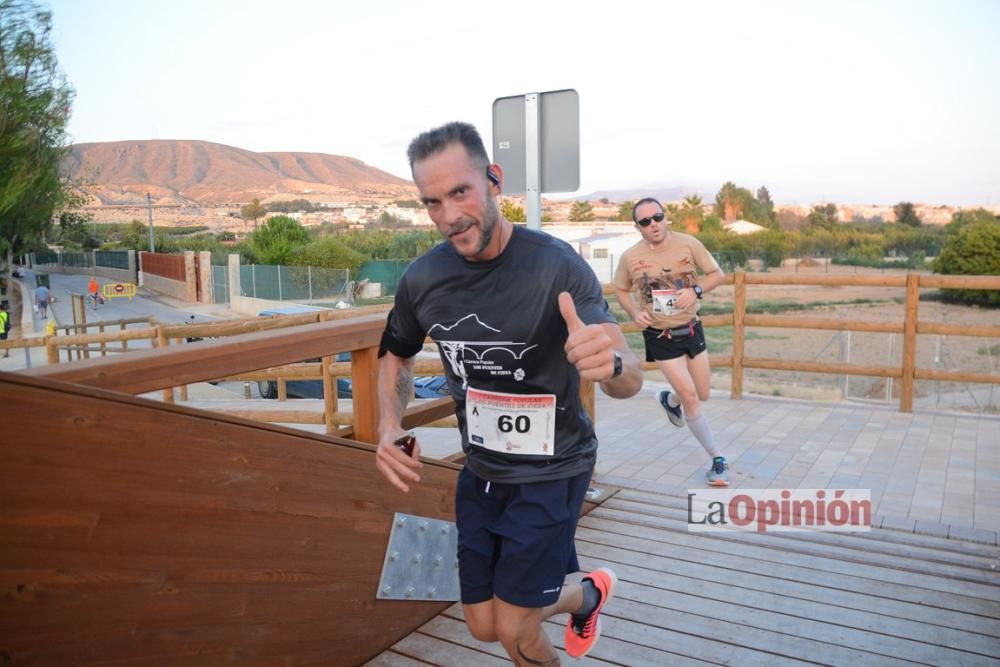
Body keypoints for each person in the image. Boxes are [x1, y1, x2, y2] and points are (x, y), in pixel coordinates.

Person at [375, 121, 642, 664]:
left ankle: (565, 598)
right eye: (432, 203)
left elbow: (629, 378)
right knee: (482, 624)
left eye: (460, 192)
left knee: (517, 629)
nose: (449, 216)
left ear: (493, 180)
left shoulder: (555, 264)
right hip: (482, 472)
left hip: (553, 470)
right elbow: (395, 351)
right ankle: (586, 592)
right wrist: (388, 424)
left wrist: (610, 362)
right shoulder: (423, 278)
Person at [612, 197, 730, 486]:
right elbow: (620, 289)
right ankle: (717, 459)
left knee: (701, 393)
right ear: (637, 226)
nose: (653, 224)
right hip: (660, 335)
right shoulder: (630, 257)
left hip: (691, 328)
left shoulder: (689, 244)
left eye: (657, 217)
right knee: (691, 397)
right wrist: (634, 312)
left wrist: (697, 290)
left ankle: (669, 398)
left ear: (666, 217)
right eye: (645, 221)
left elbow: (718, 275)